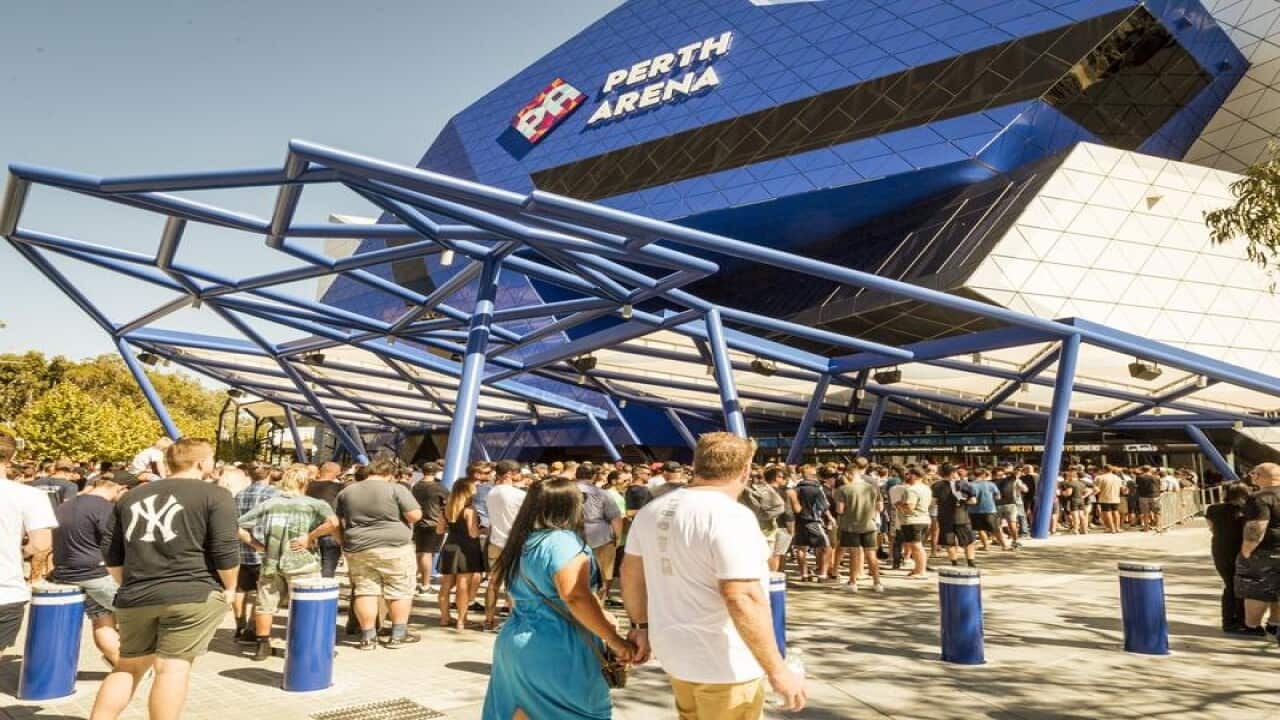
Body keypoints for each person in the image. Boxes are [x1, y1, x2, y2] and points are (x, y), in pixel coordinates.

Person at [623, 433, 805, 718]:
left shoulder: (652, 510)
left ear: (695, 464)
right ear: (745, 470)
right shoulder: (732, 516)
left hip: (676, 652)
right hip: (725, 661)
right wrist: (777, 669)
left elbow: (631, 574)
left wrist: (641, 626)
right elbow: (741, 595)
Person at [91, 438, 239, 720]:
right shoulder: (215, 495)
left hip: (137, 593)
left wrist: (129, 583)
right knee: (172, 668)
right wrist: (230, 587)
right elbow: (224, 548)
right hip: (192, 592)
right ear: (201, 462)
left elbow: (111, 552)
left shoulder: (131, 496)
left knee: (127, 667)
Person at [481, 477, 636, 719]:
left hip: (516, 642)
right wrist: (615, 640)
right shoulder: (562, 541)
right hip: (559, 645)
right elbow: (574, 595)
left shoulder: (523, 541)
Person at [236, 464, 339, 661]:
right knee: (304, 603)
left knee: (265, 603)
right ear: (304, 483)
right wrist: (310, 536)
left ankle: (262, 645)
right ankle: (303, 646)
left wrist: (257, 545)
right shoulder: (313, 504)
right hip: (302, 561)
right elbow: (333, 523)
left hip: (271, 561)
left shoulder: (269, 504)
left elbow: (238, 526)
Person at [49, 469, 140, 667]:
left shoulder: (65, 505)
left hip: (66, 572)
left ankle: (119, 664)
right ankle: (132, 668)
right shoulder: (105, 509)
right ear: (122, 488)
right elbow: (116, 544)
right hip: (98, 574)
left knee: (102, 620)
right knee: (139, 618)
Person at [336, 457, 422, 650]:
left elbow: (337, 520)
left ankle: (367, 637)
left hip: (358, 546)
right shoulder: (396, 489)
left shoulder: (347, 490)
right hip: (395, 546)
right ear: (391, 474)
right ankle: (398, 635)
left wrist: (342, 540)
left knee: (364, 590)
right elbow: (415, 515)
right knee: (400, 589)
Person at [0, 432, 57, 660]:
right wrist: (20, 552)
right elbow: (42, 544)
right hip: (5, 589)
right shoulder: (29, 495)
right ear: (11, 458)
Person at [231, 465, 278, 643]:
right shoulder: (273, 494)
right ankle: (252, 627)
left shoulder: (240, 494)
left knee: (241, 589)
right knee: (262, 591)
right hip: (264, 547)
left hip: (241, 548)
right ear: (268, 474)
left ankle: (239, 624)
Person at [1206, 482, 1257, 635]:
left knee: (1230, 585)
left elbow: (1212, 528)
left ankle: (1229, 620)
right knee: (1242, 586)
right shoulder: (1249, 510)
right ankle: (1241, 621)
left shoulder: (1213, 509)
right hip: (1242, 549)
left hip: (1221, 549)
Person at [483, 459, 527, 630]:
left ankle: (488, 620)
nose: (520, 475)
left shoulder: (491, 492)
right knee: (513, 584)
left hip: (495, 541)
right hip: (514, 544)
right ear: (509, 474)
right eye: (518, 472)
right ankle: (514, 621)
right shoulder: (519, 495)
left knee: (493, 583)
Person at [1238, 463, 1280, 638]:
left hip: (1266, 552)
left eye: (1253, 474)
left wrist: (1246, 551)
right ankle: (1275, 623)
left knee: (1257, 590)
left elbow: (1257, 529)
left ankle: (1252, 627)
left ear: (1258, 476)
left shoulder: (1261, 497)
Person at [438, 478, 486, 630]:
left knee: (445, 585)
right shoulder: (469, 509)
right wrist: (483, 530)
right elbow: (473, 534)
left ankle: (445, 618)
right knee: (463, 585)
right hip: (467, 549)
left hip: (450, 547)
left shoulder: (446, 508)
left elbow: (439, 530)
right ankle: (461, 620)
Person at [833, 458, 883, 593]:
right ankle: (877, 583)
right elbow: (880, 507)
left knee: (854, 554)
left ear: (848, 474)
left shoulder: (843, 489)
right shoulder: (873, 488)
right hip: (869, 525)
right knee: (871, 553)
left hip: (850, 525)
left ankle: (852, 582)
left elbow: (839, 510)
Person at [576, 464, 623, 603]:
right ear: (594, 476)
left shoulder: (566, 492)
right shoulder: (603, 494)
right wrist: (617, 537)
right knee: (604, 571)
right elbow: (615, 517)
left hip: (573, 535)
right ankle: (599, 603)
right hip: (601, 537)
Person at [791, 466, 833, 582]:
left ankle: (804, 574)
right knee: (827, 547)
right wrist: (830, 518)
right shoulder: (817, 489)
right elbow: (823, 506)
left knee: (801, 548)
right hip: (814, 521)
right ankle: (823, 575)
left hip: (799, 521)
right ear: (812, 476)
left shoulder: (796, 488)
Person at [411, 466, 449, 595]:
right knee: (427, 554)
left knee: (420, 553)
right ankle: (425, 585)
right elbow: (447, 504)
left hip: (418, 522)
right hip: (434, 523)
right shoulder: (439, 488)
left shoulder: (416, 486)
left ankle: (416, 582)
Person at [932, 464, 978, 568]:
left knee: (949, 542)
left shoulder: (936, 486)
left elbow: (933, 502)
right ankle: (970, 562)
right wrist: (964, 501)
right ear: (953, 473)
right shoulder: (964, 485)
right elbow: (973, 501)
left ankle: (954, 563)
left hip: (944, 517)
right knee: (968, 540)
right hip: (962, 516)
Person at [305, 461, 345, 578]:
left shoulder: (306, 486)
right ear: (336, 473)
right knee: (328, 568)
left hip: (307, 532)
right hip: (331, 531)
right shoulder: (339, 488)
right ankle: (322, 592)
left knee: (308, 569)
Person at [891, 467, 932, 579]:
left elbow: (910, 507)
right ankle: (917, 569)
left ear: (914, 475)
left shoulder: (912, 490)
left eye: (908, 474)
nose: (906, 476)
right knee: (917, 546)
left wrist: (899, 504)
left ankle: (921, 571)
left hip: (913, 521)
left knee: (917, 547)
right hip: (924, 519)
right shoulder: (926, 488)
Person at [967, 469, 1007, 550]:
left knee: (980, 529)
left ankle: (986, 546)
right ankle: (1004, 546)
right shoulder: (991, 484)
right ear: (984, 475)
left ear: (974, 475)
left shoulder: (970, 485)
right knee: (995, 528)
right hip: (990, 509)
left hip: (974, 510)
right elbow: (998, 497)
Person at [765, 467, 794, 573]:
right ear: (777, 478)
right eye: (783, 477)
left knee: (767, 555)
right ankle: (774, 580)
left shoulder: (760, 490)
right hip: (781, 527)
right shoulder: (783, 492)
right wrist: (791, 529)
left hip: (763, 527)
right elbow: (787, 512)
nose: (784, 479)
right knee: (777, 555)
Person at [1094, 466, 1125, 534]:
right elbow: (1122, 489)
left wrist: (1092, 493)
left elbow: (1097, 489)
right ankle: (1117, 528)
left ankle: (1112, 528)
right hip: (1116, 498)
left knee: (1107, 513)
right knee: (1115, 512)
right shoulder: (1117, 478)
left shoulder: (1100, 477)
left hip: (1105, 498)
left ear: (1104, 469)